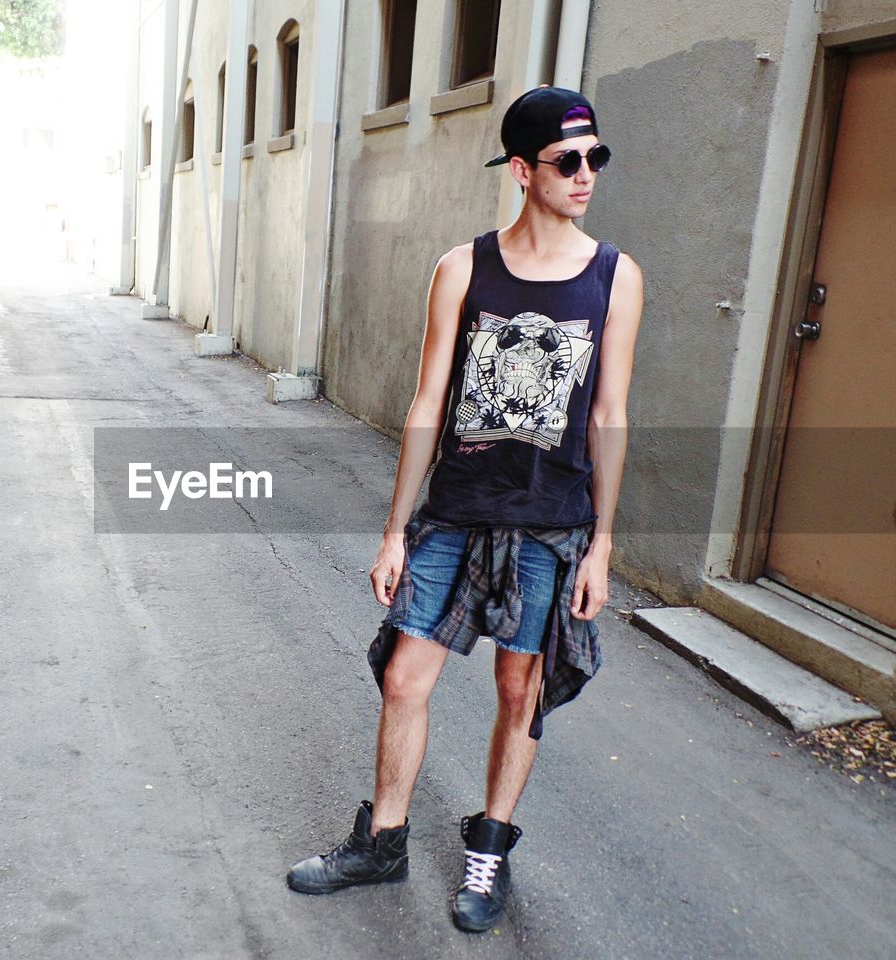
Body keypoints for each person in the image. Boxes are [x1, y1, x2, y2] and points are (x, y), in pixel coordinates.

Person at [286, 86, 644, 934]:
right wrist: (394, 531)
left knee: (519, 687)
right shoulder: (463, 267)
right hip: (456, 509)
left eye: (596, 156)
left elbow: (610, 415)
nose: (587, 173)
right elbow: (426, 403)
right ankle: (383, 840)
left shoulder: (615, 277)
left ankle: (489, 850)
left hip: (552, 518)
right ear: (523, 171)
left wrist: (601, 547)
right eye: (568, 161)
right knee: (407, 676)